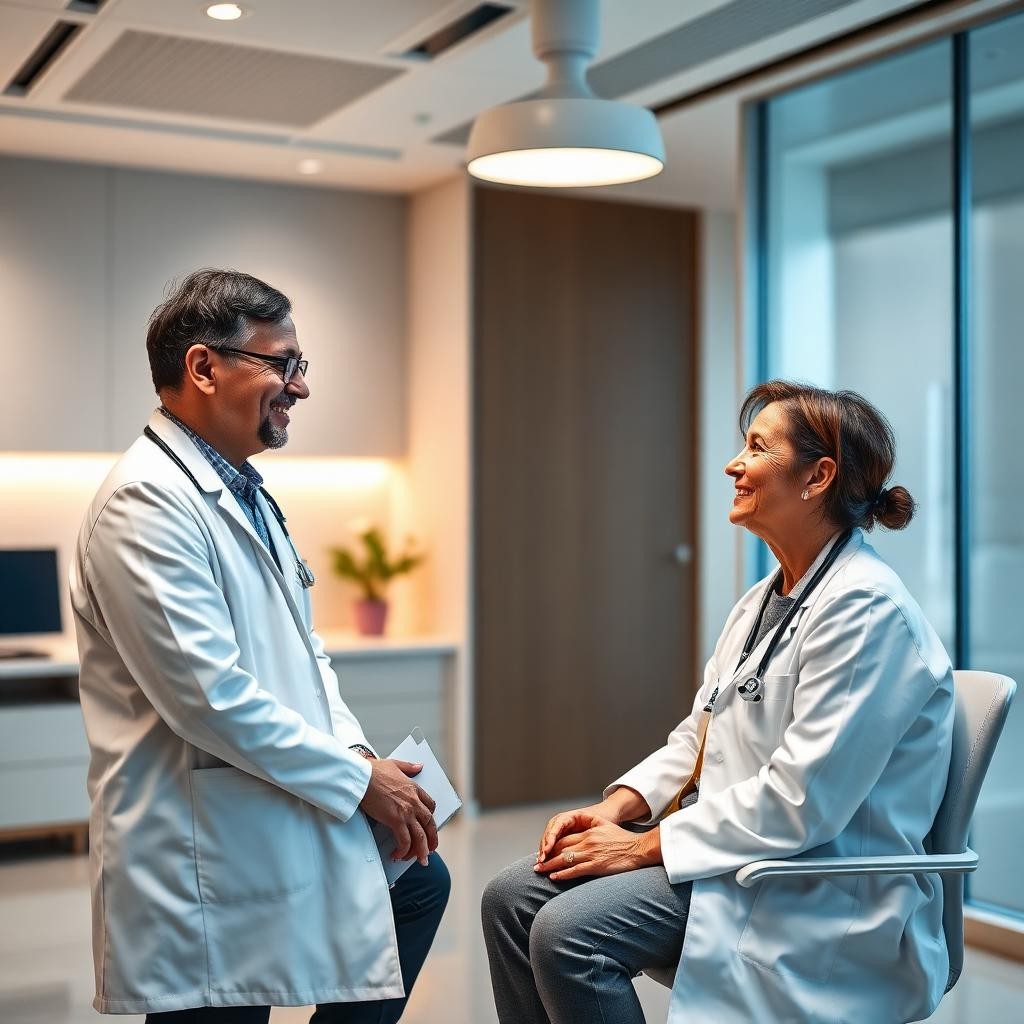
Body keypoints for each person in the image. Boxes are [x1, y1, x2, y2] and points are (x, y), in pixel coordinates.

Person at [482, 380, 955, 1024]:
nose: (734, 464)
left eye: (757, 447)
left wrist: (640, 846)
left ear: (817, 477)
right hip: (739, 849)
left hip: (812, 882)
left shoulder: (866, 609)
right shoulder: (766, 598)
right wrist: (618, 808)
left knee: (570, 934)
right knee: (510, 898)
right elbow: (700, 737)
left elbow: (801, 803)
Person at [70, 269, 449, 1023]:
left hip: (259, 799)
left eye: (298, 366)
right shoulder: (145, 502)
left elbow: (305, 658)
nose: (299, 387)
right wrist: (354, 779)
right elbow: (210, 698)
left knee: (418, 881)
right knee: (221, 1008)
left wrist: (360, 760)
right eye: (282, 364)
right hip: (199, 843)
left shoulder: (241, 488)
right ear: (203, 367)